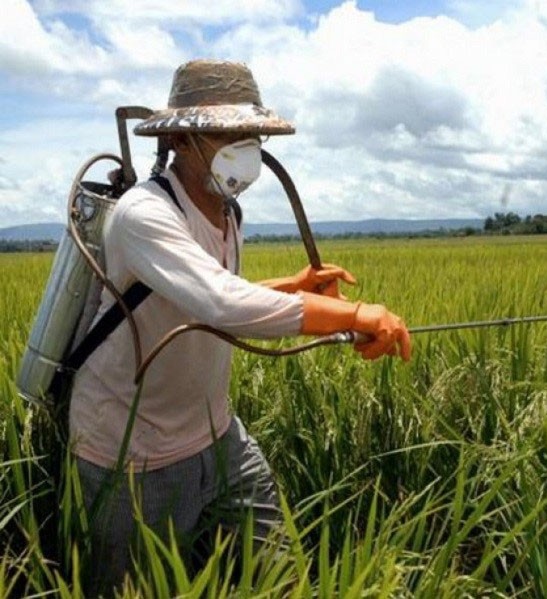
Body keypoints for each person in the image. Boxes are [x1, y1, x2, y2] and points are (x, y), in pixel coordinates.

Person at [68, 59, 411, 593]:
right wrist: (354, 315)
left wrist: (294, 289)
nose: (245, 146)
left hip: (216, 434)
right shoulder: (144, 215)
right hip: (132, 452)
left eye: (249, 133)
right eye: (227, 133)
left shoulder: (227, 212)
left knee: (279, 574)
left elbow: (206, 298)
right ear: (181, 139)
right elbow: (222, 302)